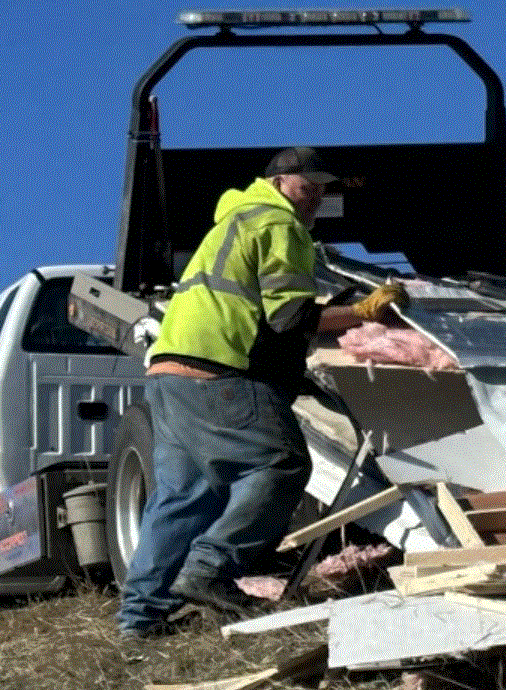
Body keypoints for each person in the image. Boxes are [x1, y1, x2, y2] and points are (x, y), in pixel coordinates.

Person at [117, 147, 406, 638]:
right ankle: (210, 568)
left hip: (168, 372)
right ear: (277, 184)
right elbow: (290, 320)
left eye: (321, 190)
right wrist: (364, 312)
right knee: (281, 463)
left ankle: (139, 619)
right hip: (219, 366)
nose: (314, 197)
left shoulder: (232, 220)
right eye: (305, 186)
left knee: (183, 496)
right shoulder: (280, 225)